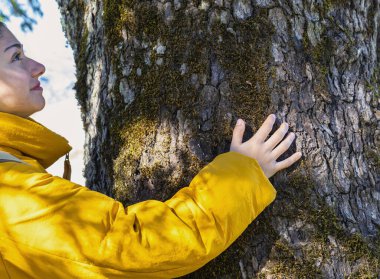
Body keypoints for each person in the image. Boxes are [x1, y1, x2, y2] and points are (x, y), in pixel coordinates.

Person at [0, 22, 302, 278]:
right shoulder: (8, 192)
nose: (37, 67)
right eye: (15, 58)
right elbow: (134, 248)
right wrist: (242, 175)